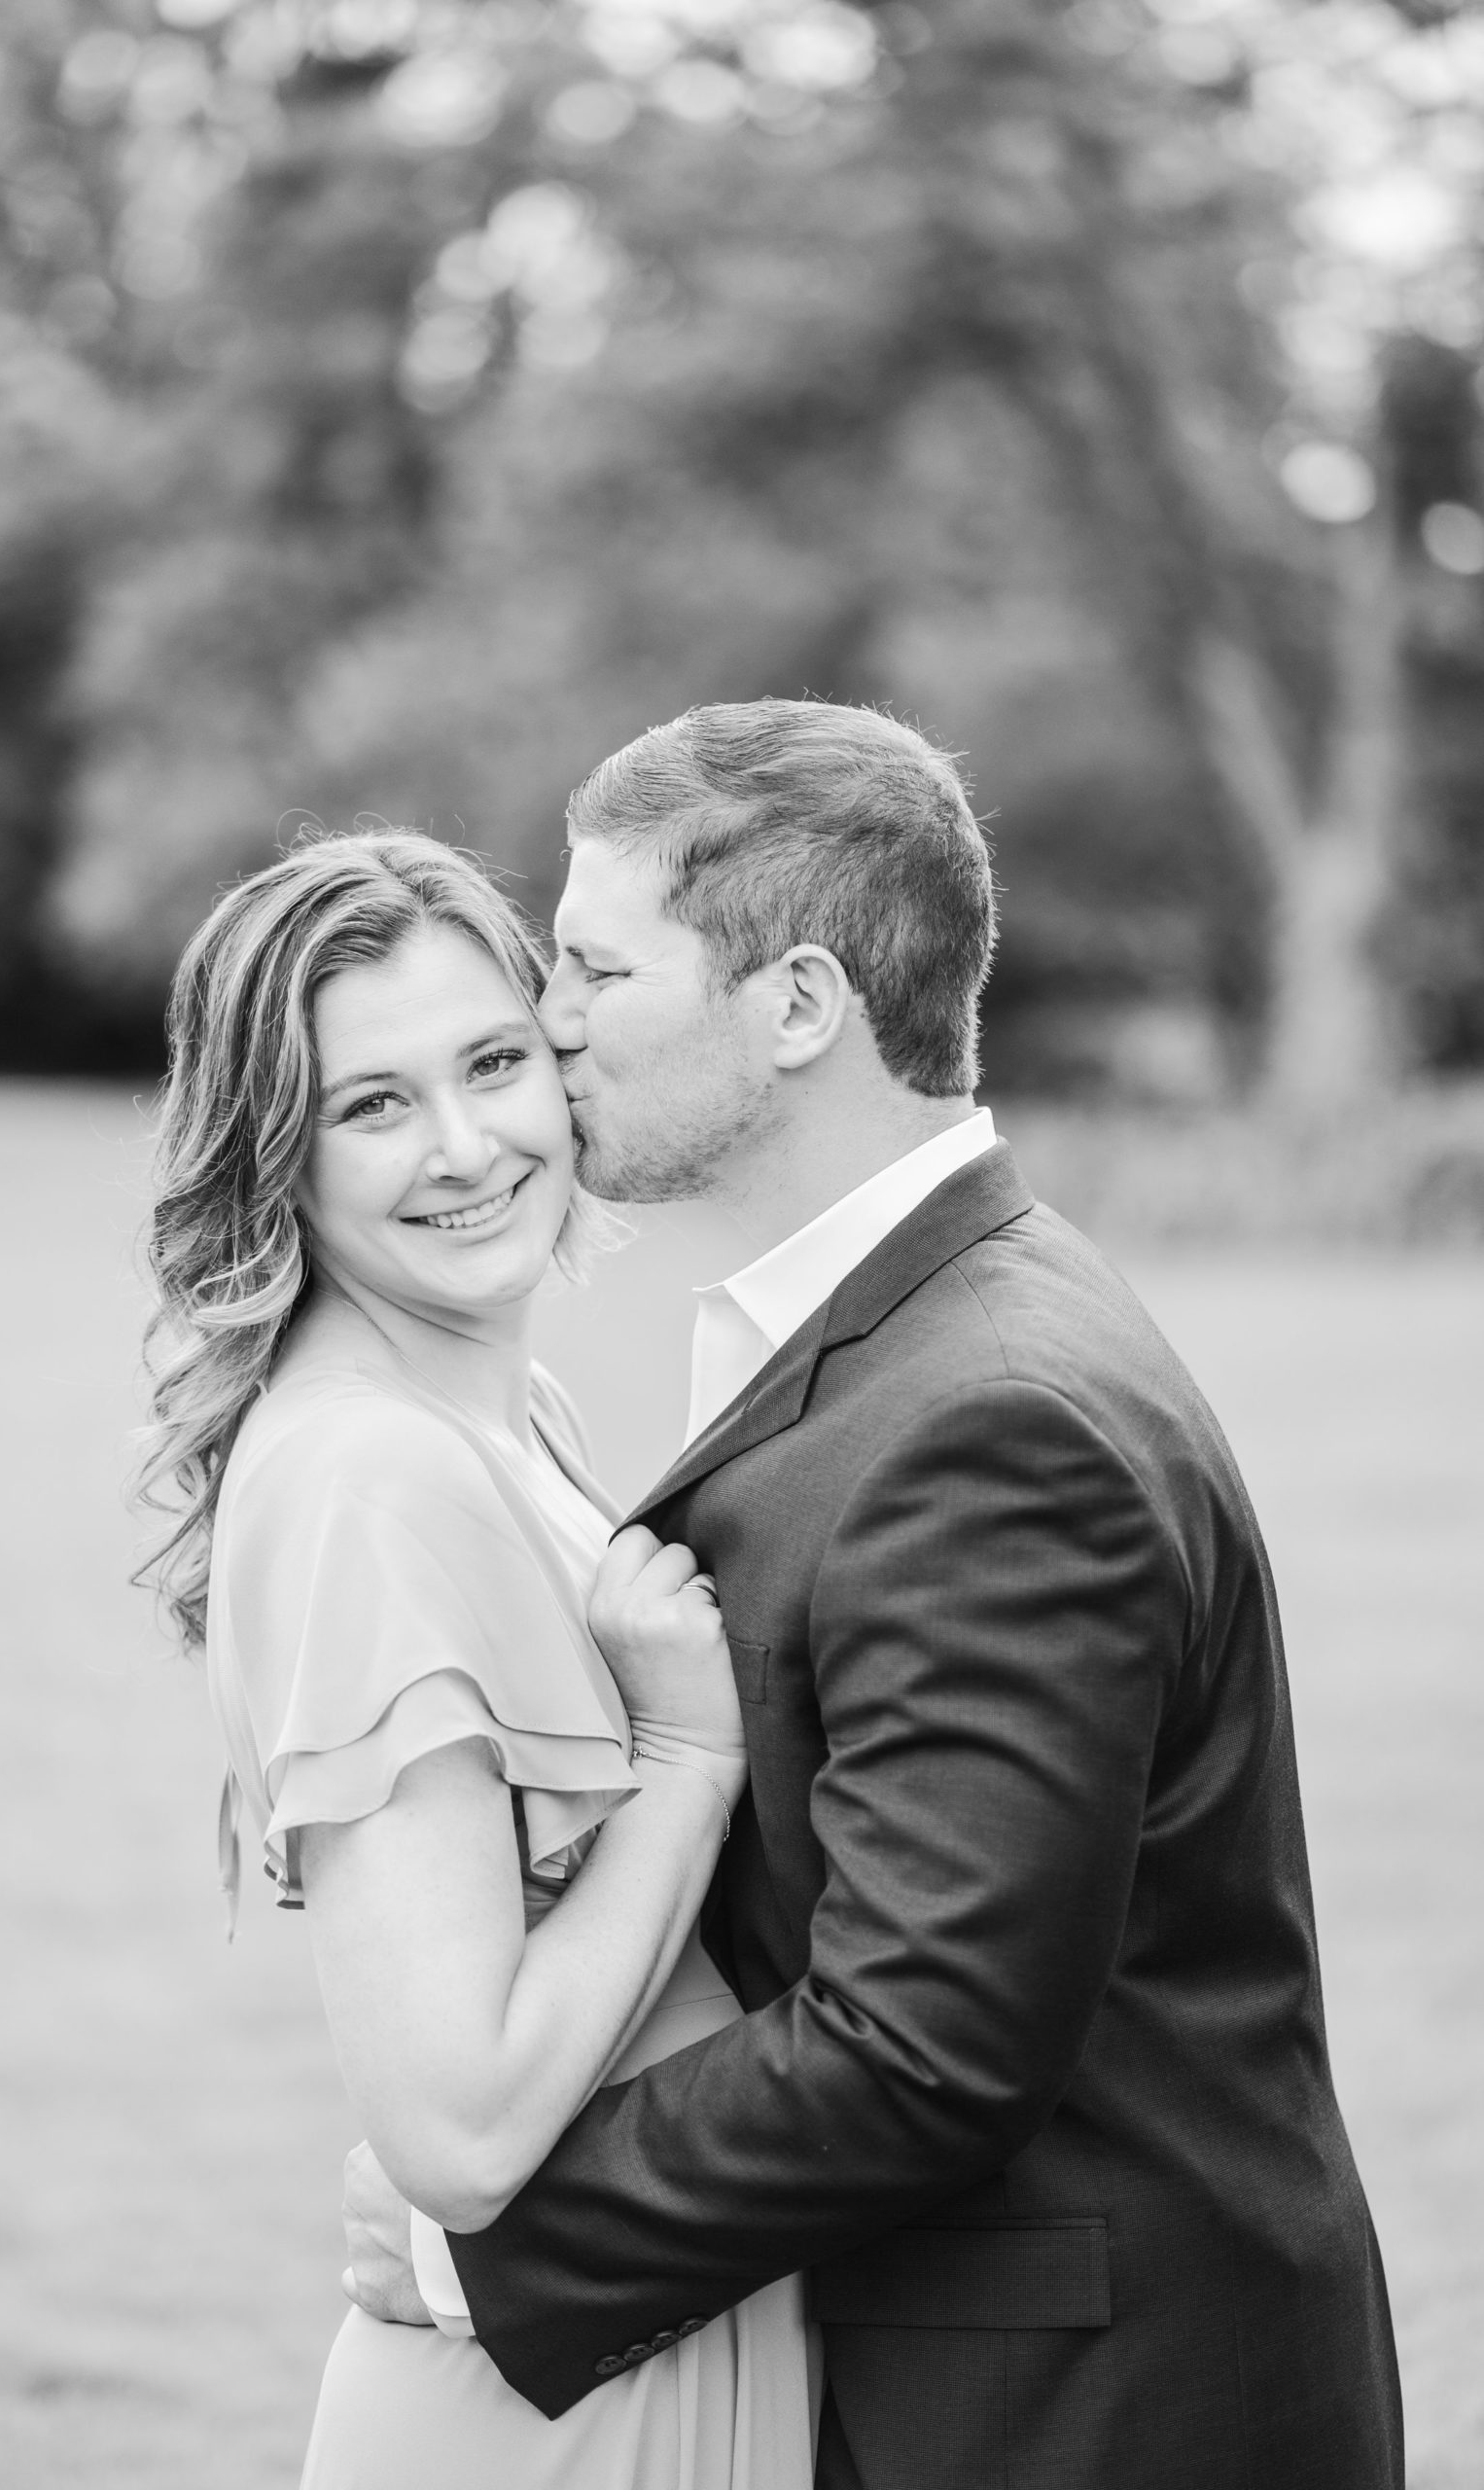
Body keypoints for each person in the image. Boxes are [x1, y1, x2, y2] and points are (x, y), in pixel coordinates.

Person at [343, 699, 1404, 2490]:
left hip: (1081, 2423)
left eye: (597, 969)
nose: (551, 1022)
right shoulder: (906, 1331)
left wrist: (486, 2254)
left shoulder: (988, 1420)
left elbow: (927, 2040)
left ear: (801, 1006)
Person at [134, 828, 817, 2488]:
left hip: (646, 2342)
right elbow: (458, 2123)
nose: (466, 1148)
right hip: (544, 2419)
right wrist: (689, 1762)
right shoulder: (372, 1475)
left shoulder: (517, 1416)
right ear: (274, 1157)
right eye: (373, 1105)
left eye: (495, 1063)